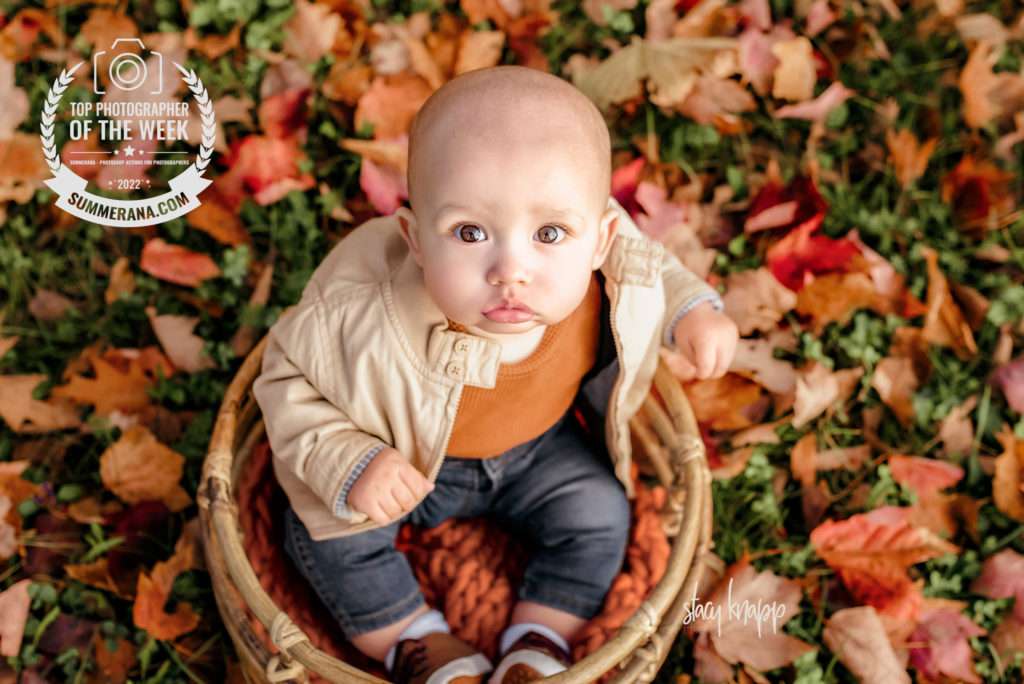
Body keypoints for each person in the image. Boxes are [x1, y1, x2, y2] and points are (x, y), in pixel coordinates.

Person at [253, 65, 739, 684]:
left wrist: (694, 311)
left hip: (539, 450)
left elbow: (653, 270)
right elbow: (284, 378)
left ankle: (537, 638)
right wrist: (351, 462)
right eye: (470, 232)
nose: (511, 269)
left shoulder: (608, 256)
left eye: (550, 233)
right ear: (415, 238)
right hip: (404, 459)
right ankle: (415, 639)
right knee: (326, 535)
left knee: (600, 513)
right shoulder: (358, 310)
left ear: (599, 239)